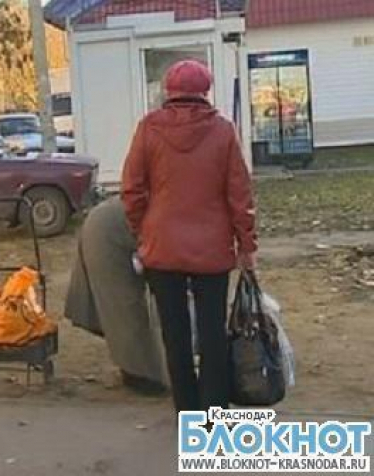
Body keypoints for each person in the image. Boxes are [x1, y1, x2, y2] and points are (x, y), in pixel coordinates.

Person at [121, 59, 257, 414]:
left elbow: (132, 190)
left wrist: (143, 230)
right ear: (204, 91)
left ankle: (187, 412)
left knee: (175, 334)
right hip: (212, 250)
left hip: (162, 247)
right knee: (212, 334)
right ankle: (214, 415)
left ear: (169, 91)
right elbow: (240, 196)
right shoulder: (223, 132)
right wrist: (247, 246)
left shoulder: (148, 129)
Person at [64, 197, 168, 395]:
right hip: (107, 234)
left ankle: (142, 373)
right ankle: (140, 376)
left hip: (109, 225)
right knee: (124, 310)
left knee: (126, 310)